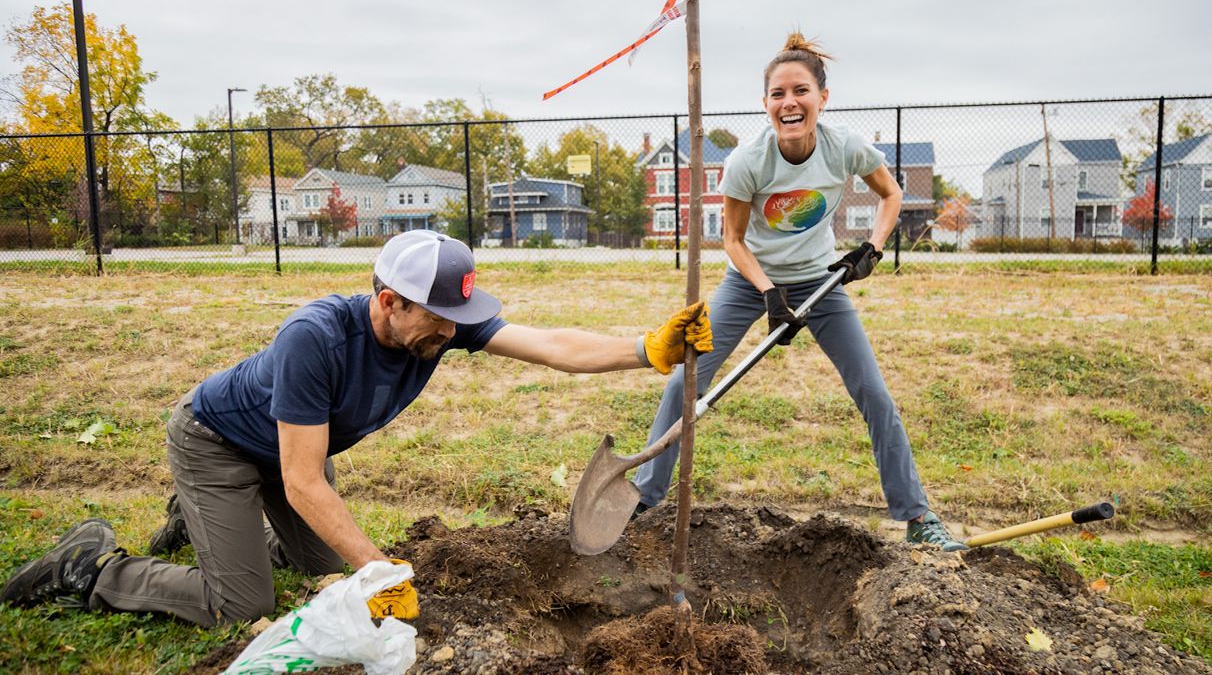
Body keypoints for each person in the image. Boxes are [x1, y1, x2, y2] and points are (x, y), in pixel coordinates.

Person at [1, 230, 713, 625]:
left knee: (317, 567)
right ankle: (93, 567)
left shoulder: (436, 327)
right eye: (436, 319)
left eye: (457, 320)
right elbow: (304, 481)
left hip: (288, 453)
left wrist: (646, 350)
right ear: (388, 303)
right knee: (240, 604)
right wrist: (379, 571)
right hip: (218, 445)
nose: (452, 332)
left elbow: (549, 346)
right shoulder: (314, 338)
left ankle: (216, 529)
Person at [631, 32, 966, 551]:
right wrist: (768, 293)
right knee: (684, 383)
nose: (790, 103)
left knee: (873, 393)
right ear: (765, 104)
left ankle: (917, 515)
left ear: (821, 98)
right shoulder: (748, 161)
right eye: (778, 94)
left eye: (801, 91)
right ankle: (644, 498)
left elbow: (892, 193)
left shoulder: (844, 147)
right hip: (749, 284)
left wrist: (872, 248)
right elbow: (734, 241)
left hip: (821, 282)